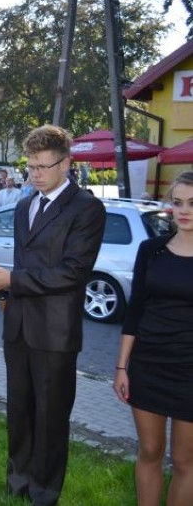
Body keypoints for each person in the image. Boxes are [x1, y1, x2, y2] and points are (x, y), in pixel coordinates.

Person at [0, 124, 105, 505]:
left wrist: (14, 280)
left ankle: (44, 491)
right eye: (30, 166)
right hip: (18, 327)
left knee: (51, 417)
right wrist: (5, 283)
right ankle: (17, 482)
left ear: (66, 164)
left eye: (42, 166)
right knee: (19, 411)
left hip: (55, 333)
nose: (34, 174)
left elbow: (73, 272)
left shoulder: (87, 208)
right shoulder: (24, 205)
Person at [113, 171, 193, 506]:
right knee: (149, 450)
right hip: (148, 364)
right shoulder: (152, 250)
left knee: (186, 461)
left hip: (190, 372)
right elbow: (135, 310)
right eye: (177, 203)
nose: (184, 210)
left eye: (192, 203)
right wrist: (121, 367)